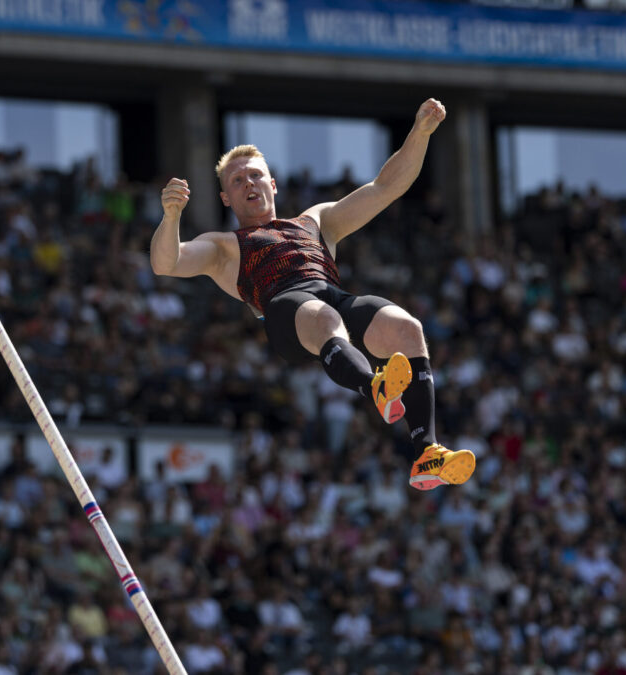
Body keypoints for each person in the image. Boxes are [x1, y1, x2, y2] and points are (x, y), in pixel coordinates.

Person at [150, 99, 474, 491]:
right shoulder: (224, 246)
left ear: (272, 184)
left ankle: (427, 453)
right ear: (226, 199)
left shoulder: (315, 221)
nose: (248, 184)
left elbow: (386, 187)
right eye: (237, 181)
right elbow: (166, 262)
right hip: (286, 312)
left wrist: (419, 134)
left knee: (407, 328)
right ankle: (375, 385)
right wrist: (170, 218)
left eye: (255, 176)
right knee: (324, 317)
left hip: (330, 296)